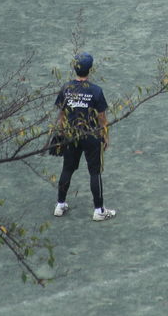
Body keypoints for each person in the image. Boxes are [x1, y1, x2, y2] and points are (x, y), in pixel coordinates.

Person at [53, 52, 116, 222]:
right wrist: (105, 136)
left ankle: (60, 205)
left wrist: (61, 133)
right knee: (95, 173)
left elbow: (62, 115)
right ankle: (99, 210)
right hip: (91, 136)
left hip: (71, 135)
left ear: (75, 68)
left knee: (67, 169)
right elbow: (102, 118)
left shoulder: (66, 88)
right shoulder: (96, 91)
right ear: (90, 69)